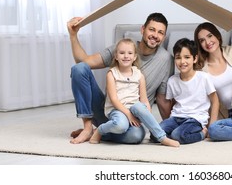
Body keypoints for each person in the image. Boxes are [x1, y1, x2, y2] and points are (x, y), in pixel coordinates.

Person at [67, 13, 174, 144]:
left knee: (135, 136)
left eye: (160, 32)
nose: (155, 35)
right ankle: (88, 128)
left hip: (132, 120)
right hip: (108, 110)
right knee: (79, 69)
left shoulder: (166, 60)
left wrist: (169, 127)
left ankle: (99, 132)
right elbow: (83, 61)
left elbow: (162, 99)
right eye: (152, 29)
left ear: (164, 37)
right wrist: (73, 35)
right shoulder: (124, 48)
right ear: (143, 29)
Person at [89, 38, 180, 147]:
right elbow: (113, 99)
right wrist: (128, 115)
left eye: (130, 53)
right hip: (118, 109)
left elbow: (144, 99)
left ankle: (162, 137)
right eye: (122, 53)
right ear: (116, 56)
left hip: (134, 109)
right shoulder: (112, 74)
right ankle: (100, 130)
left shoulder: (139, 75)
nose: (126, 56)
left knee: (140, 107)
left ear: (135, 57)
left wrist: (147, 114)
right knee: (121, 126)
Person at [159, 38, 219, 144]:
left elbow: (215, 101)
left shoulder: (203, 78)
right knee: (156, 134)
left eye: (187, 57)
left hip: (195, 119)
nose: (182, 62)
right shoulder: (172, 80)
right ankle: (175, 133)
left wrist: (211, 126)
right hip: (176, 117)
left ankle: (201, 133)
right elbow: (172, 103)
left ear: (195, 58)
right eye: (178, 58)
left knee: (177, 135)